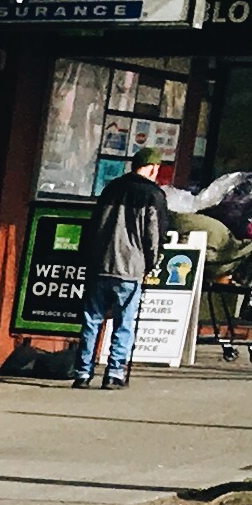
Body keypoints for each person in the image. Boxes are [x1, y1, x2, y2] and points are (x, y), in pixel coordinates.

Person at [77, 155, 170, 389]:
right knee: (124, 321)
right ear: (152, 168)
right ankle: (114, 373)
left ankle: (82, 373)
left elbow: (92, 226)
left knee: (92, 320)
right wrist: (152, 263)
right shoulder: (153, 195)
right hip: (131, 266)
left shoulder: (110, 189)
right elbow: (154, 234)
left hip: (101, 264)